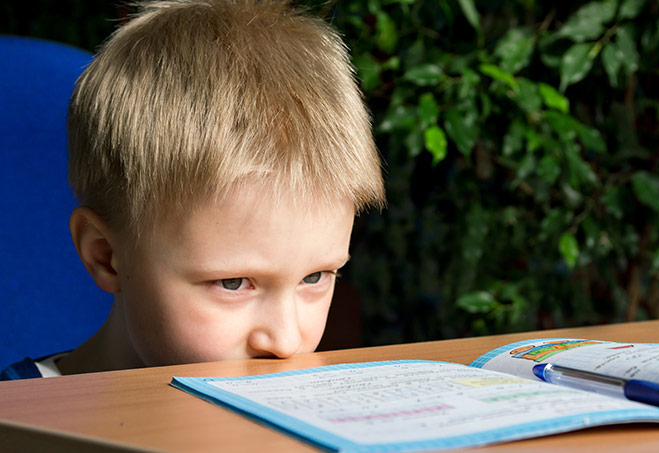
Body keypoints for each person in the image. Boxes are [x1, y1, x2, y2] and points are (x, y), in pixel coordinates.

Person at [0, 0, 384, 380]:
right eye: (233, 283)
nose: (285, 341)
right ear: (105, 255)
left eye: (315, 278)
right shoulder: (17, 418)